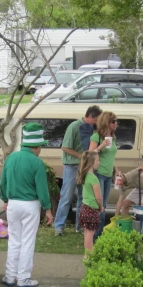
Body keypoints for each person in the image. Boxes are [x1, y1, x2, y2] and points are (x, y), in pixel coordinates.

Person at [0, 123, 53, 287]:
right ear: (36, 147)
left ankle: (10, 276)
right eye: (41, 147)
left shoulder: (11, 158)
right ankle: (23, 278)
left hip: (13, 204)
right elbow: (42, 190)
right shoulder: (37, 163)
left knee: (14, 240)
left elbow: (3, 182)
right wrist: (48, 209)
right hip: (30, 206)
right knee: (27, 241)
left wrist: (4, 199)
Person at [54, 105, 102, 236]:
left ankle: (79, 225)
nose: (97, 123)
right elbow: (65, 147)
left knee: (84, 197)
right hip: (72, 166)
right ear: (90, 116)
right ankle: (59, 226)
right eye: (96, 120)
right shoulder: (74, 126)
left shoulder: (92, 129)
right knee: (67, 196)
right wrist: (82, 156)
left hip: (85, 167)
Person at [89, 111, 120, 240]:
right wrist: (100, 146)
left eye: (116, 121)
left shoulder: (113, 138)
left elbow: (111, 157)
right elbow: (89, 154)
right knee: (99, 204)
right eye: (113, 121)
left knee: (104, 205)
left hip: (108, 175)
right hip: (99, 173)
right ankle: (96, 234)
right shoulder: (97, 137)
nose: (116, 124)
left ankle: (99, 233)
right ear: (106, 122)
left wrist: (116, 170)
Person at [77, 151, 102, 257]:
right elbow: (98, 197)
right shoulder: (93, 178)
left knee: (87, 232)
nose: (99, 162)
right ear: (91, 163)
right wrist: (101, 206)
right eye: (97, 160)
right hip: (91, 209)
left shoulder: (85, 176)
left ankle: (86, 253)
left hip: (84, 207)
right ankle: (90, 253)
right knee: (90, 233)